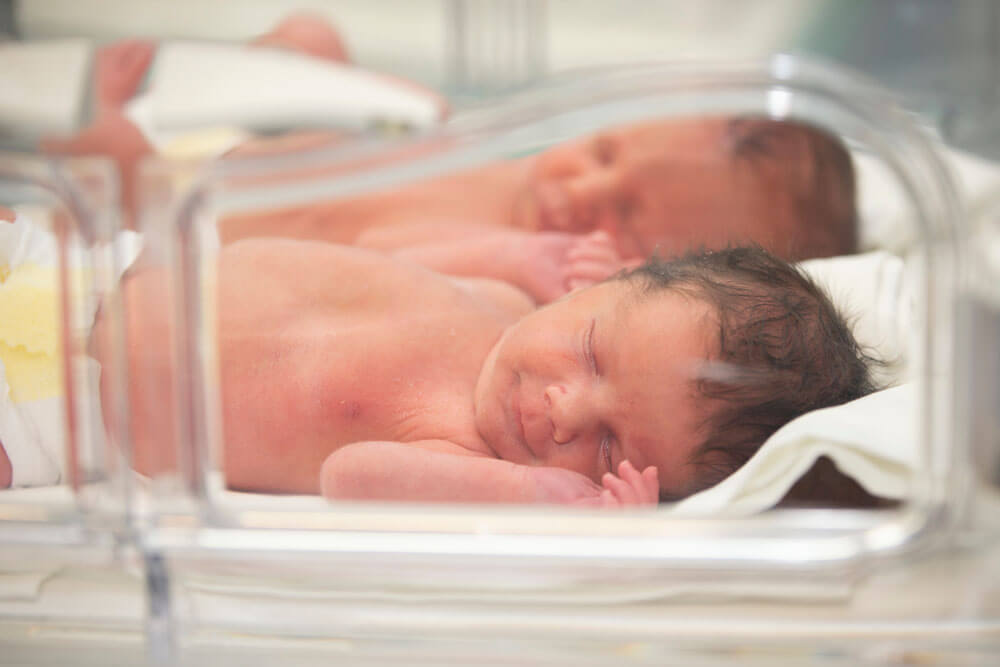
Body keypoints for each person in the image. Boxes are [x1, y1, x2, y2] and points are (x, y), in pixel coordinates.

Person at [83, 241, 875, 506]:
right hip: (111, 266)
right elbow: (386, 247)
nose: (566, 409)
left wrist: (541, 497)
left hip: (82, 410)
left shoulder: (471, 452)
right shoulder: (499, 295)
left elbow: (348, 475)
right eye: (592, 353)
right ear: (604, 283)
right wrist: (522, 250)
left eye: (607, 446)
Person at [220, 114, 859, 304]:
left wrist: (520, 258)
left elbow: (368, 261)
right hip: (222, 149)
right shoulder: (474, 140)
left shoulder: (515, 278)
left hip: (205, 252)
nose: (580, 192)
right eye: (604, 151)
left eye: (624, 218)